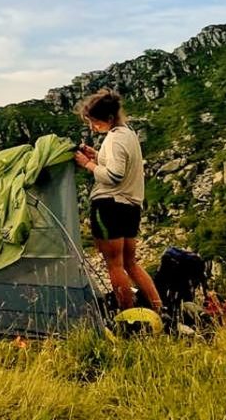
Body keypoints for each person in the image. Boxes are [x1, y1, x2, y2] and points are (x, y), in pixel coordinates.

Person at [73, 88, 162, 313]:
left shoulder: (114, 139)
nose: (92, 127)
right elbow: (119, 163)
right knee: (131, 264)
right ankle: (160, 310)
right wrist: (97, 155)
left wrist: (87, 163)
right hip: (131, 208)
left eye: (95, 122)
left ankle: (127, 317)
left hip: (109, 206)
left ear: (109, 119)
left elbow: (113, 176)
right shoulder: (128, 134)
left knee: (114, 265)